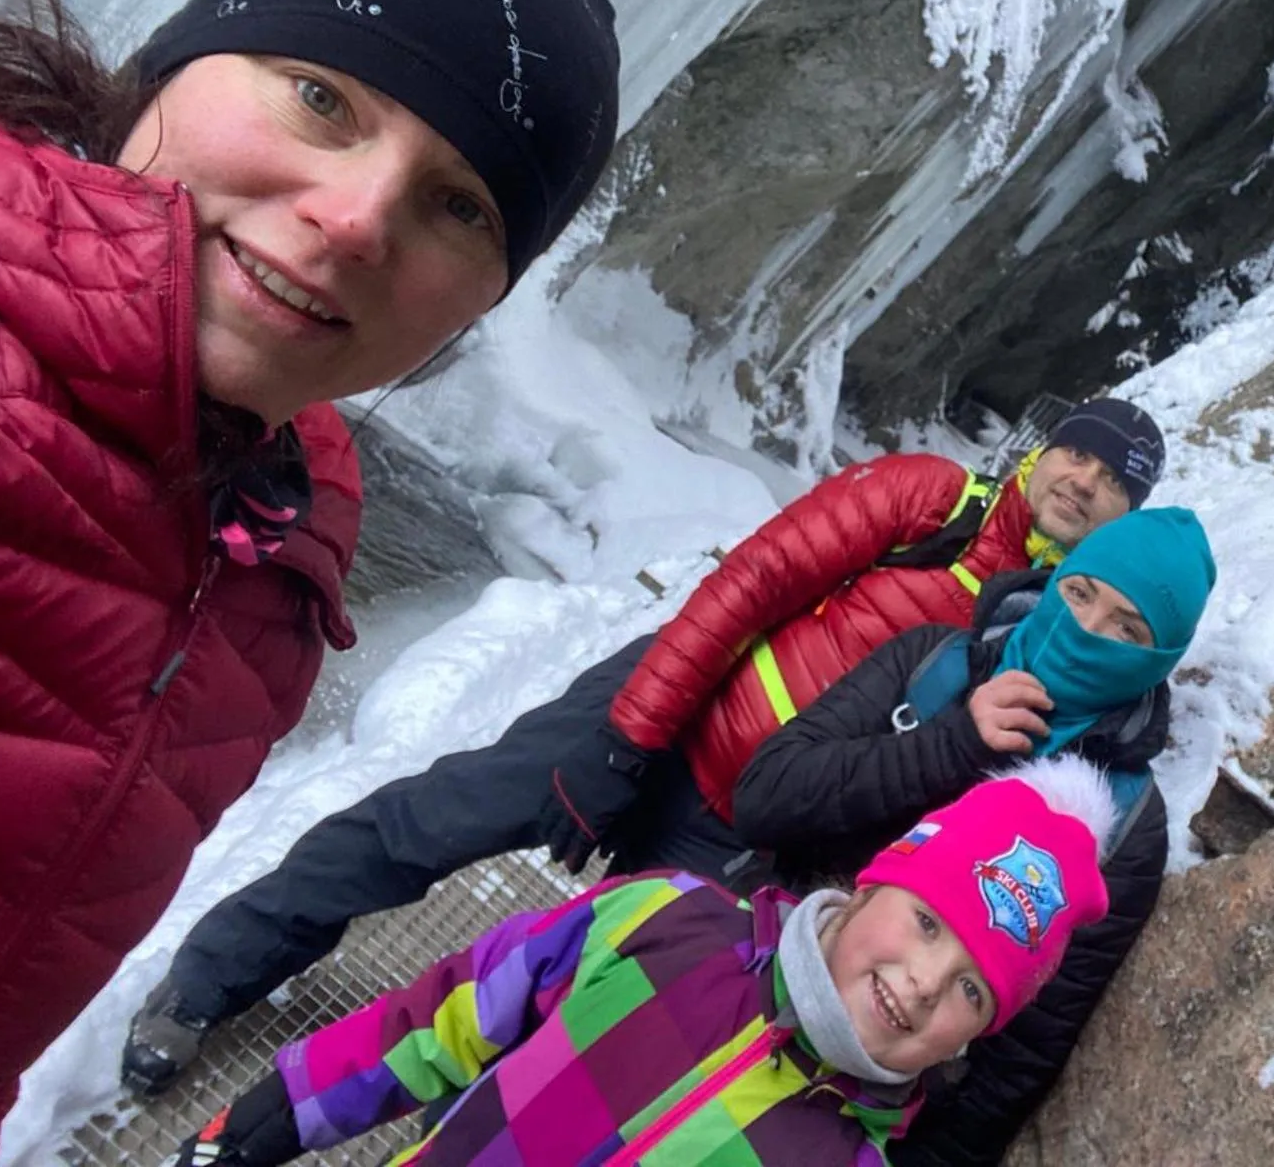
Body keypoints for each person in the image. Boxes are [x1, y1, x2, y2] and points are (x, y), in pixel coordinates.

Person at [0, 0, 621, 1164]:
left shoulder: (271, 575)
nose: (354, 219)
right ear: (179, 60)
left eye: (459, 204)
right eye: (320, 96)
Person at [123, 397, 1169, 1096]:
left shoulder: (1044, 648)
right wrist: (627, 738)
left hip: (742, 826)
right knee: (429, 823)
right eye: (1075, 449)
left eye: (1112, 479)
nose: (1081, 479)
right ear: (1043, 449)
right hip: (665, 705)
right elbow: (748, 585)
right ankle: (211, 977)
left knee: (584, 1010)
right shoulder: (930, 500)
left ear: (1128, 515)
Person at [165, 759, 1117, 1167]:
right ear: (869, 887)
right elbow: (446, 1015)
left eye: (971, 990)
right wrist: (270, 1121)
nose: (920, 981)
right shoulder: (667, 919)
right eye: (924, 922)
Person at [733, 506, 1215, 1166]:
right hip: (745, 979)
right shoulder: (934, 664)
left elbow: (1021, 1057)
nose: (1086, 628)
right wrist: (954, 745)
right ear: (1056, 579)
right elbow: (765, 796)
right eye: (1079, 593)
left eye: (1127, 630)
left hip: (847, 1108)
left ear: (1157, 663)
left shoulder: (1125, 824)